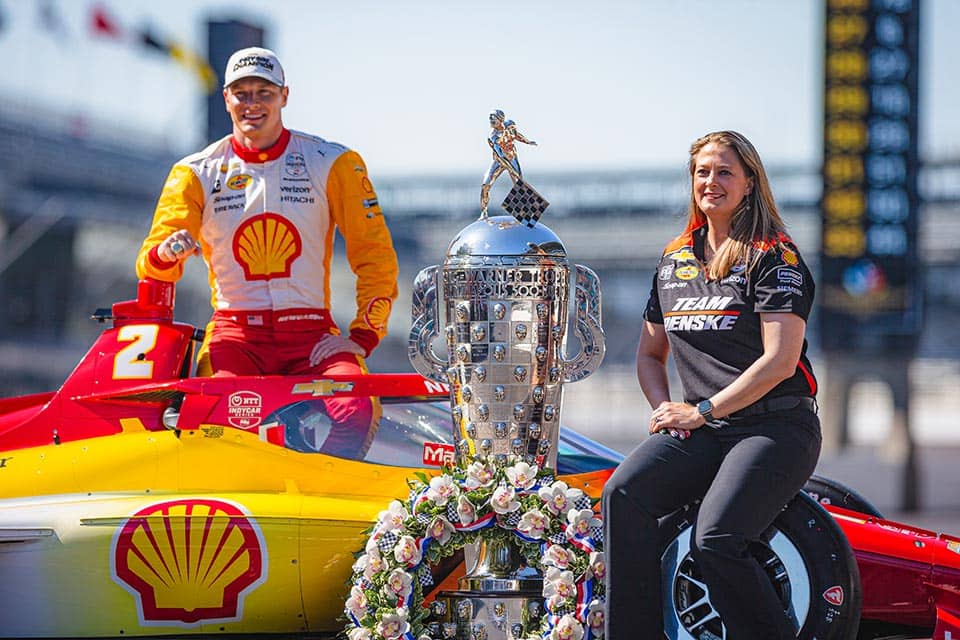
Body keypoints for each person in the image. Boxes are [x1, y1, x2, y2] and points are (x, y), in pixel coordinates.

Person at [601, 130, 821, 639]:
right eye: (702, 171)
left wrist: (702, 411)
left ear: (749, 182)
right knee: (623, 495)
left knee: (716, 537)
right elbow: (649, 356)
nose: (711, 181)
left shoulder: (774, 256)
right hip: (702, 428)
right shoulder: (674, 258)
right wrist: (664, 411)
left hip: (776, 428)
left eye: (725, 171)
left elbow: (780, 361)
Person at [135, 46, 398, 459]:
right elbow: (151, 263)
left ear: (285, 96)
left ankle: (318, 496)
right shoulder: (195, 172)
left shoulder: (333, 162)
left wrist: (363, 336)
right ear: (226, 98)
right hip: (236, 336)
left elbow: (375, 254)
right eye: (242, 93)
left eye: (264, 92)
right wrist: (167, 254)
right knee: (217, 418)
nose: (252, 103)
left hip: (311, 335)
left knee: (356, 409)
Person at [479, 109, 537, 215]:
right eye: (490, 118)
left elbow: (516, 135)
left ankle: (525, 212)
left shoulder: (509, 125)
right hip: (499, 161)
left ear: (500, 119)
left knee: (519, 183)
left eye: (493, 117)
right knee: (485, 184)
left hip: (511, 157)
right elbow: (500, 153)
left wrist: (528, 141)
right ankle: (484, 212)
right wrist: (509, 167)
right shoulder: (492, 136)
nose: (490, 120)